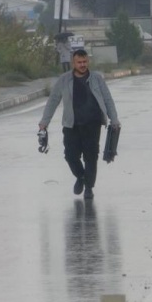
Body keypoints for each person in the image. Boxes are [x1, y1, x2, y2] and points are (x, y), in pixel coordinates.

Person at [39, 49, 120, 200]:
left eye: (85, 62)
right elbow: (53, 101)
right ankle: (81, 177)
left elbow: (108, 99)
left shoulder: (97, 79)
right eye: (79, 62)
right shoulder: (64, 80)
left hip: (92, 124)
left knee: (91, 157)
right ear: (73, 63)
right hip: (72, 125)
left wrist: (114, 119)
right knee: (70, 156)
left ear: (88, 62)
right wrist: (44, 123)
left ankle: (89, 187)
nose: (82, 65)